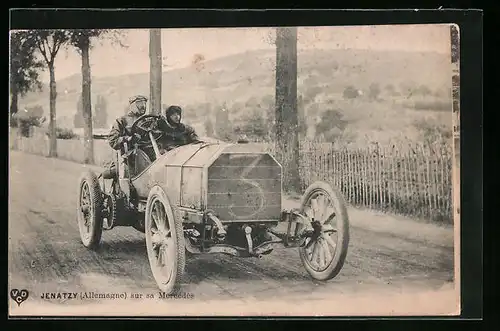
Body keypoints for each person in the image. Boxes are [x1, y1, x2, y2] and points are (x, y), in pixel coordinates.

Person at [102, 95, 149, 179]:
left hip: (147, 152)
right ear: (132, 105)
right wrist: (127, 138)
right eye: (139, 104)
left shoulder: (147, 121)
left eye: (144, 104)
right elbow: (113, 140)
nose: (143, 106)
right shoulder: (122, 120)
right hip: (128, 153)